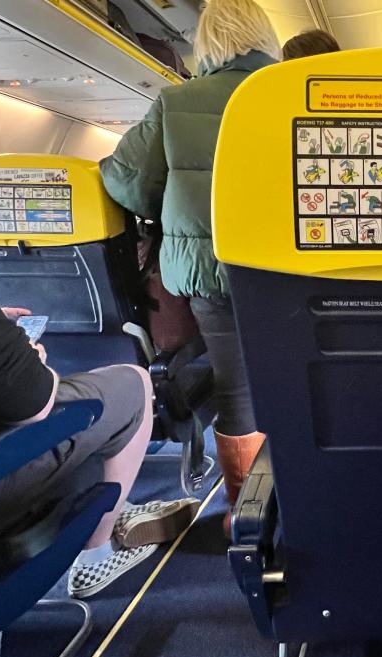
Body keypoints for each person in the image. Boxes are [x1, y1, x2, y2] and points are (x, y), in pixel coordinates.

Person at [99, 0, 279, 536]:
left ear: (208, 42)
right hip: (286, 269)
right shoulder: (288, 92)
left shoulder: (177, 101)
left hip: (209, 268)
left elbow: (127, 182)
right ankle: (310, 489)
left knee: (236, 388)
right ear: (262, 36)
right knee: (297, 376)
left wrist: (171, 202)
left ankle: (243, 518)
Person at [0, 250, 197, 598]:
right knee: (132, 385)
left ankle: (103, 506)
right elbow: (33, 402)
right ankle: (99, 550)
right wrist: (28, 360)